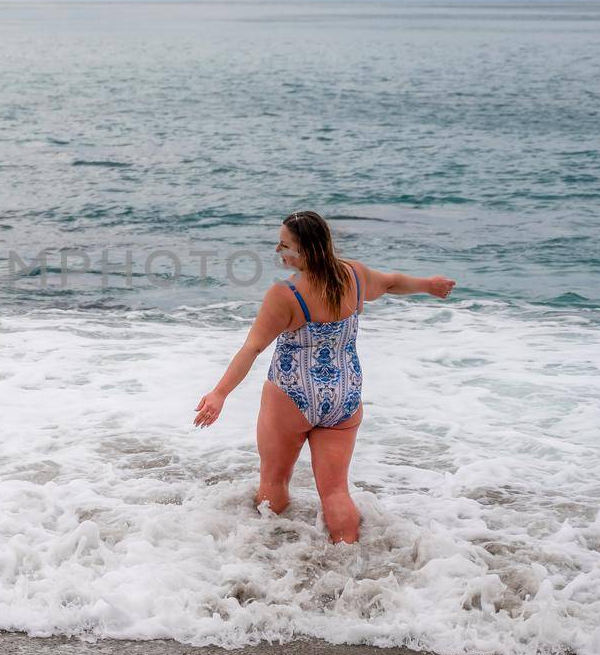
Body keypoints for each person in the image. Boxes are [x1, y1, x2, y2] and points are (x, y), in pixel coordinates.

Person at [193, 210, 456, 543]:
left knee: (273, 483)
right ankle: (350, 565)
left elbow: (253, 348)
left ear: (306, 251)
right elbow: (390, 282)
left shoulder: (286, 295)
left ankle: (263, 556)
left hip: (292, 396)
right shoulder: (355, 275)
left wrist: (219, 393)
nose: (279, 251)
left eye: (284, 245)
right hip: (343, 397)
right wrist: (428, 286)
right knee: (334, 492)